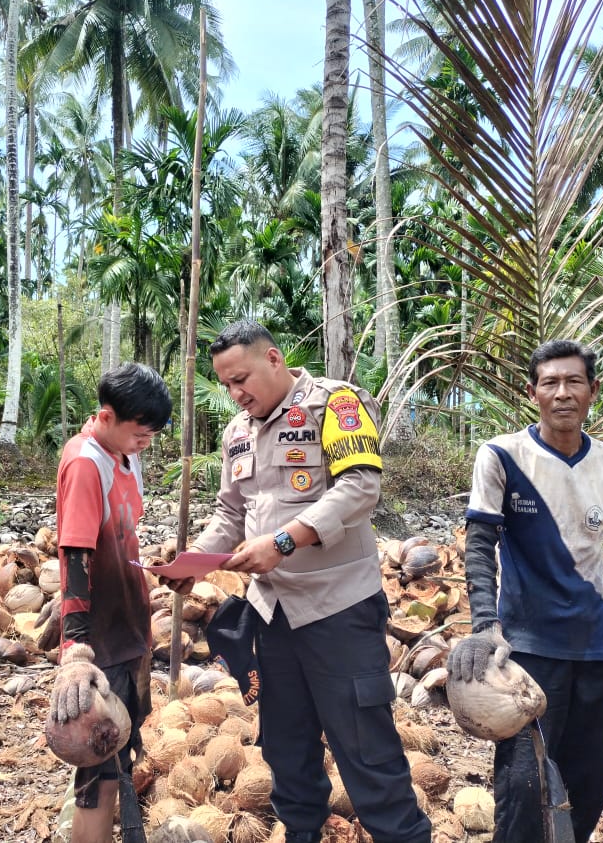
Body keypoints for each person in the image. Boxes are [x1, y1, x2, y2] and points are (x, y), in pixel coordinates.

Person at [187, 320, 431, 843]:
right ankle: (301, 832)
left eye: (241, 379)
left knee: (366, 749)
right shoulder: (237, 433)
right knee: (287, 748)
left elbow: (361, 487)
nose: (235, 393)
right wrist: (194, 563)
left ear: (274, 359)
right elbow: (231, 513)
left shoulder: (333, 404)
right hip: (272, 615)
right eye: (226, 385)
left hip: (337, 610)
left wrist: (282, 542)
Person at [446, 339, 603, 843]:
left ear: (593, 391)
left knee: (588, 783)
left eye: (574, 381)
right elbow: (480, 545)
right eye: (551, 383)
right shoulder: (503, 456)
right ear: (532, 392)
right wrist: (485, 627)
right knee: (524, 785)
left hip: (597, 647)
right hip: (528, 651)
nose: (563, 393)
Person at [49, 362, 173, 843]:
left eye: (151, 436)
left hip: (128, 627)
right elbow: (76, 558)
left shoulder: (124, 454)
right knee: (98, 771)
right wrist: (76, 652)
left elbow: (124, 535)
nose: (145, 443)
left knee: (120, 753)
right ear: (106, 416)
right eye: (140, 434)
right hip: (100, 636)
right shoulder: (86, 463)